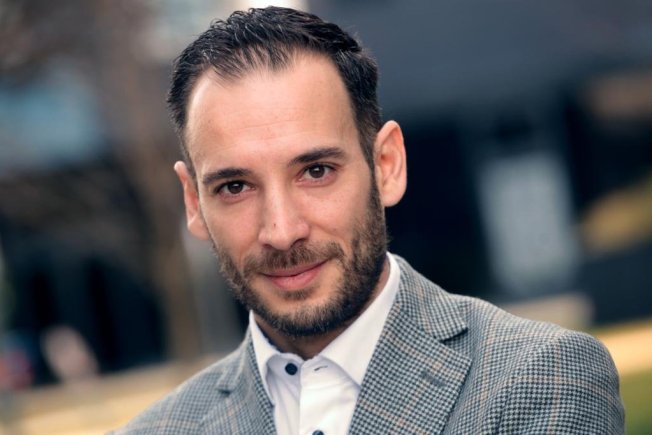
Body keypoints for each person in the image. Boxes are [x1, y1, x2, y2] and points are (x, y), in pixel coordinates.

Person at [116, 6, 624, 434]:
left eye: (316, 171)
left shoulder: (541, 379)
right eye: (235, 187)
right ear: (193, 202)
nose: (282, 231)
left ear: (386, 166)